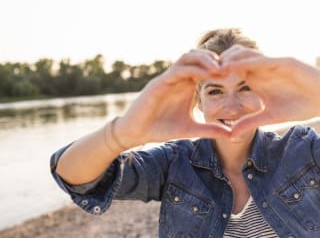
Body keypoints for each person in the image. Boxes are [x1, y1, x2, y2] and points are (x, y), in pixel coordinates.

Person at [50, 28, 320, 237]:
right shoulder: (175, 163)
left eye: (246, 87)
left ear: (264, 91)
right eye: (215, 91)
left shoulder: (302, 149)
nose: (232, 105)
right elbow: (74, 177)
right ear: (199, 102)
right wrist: (122, 134)